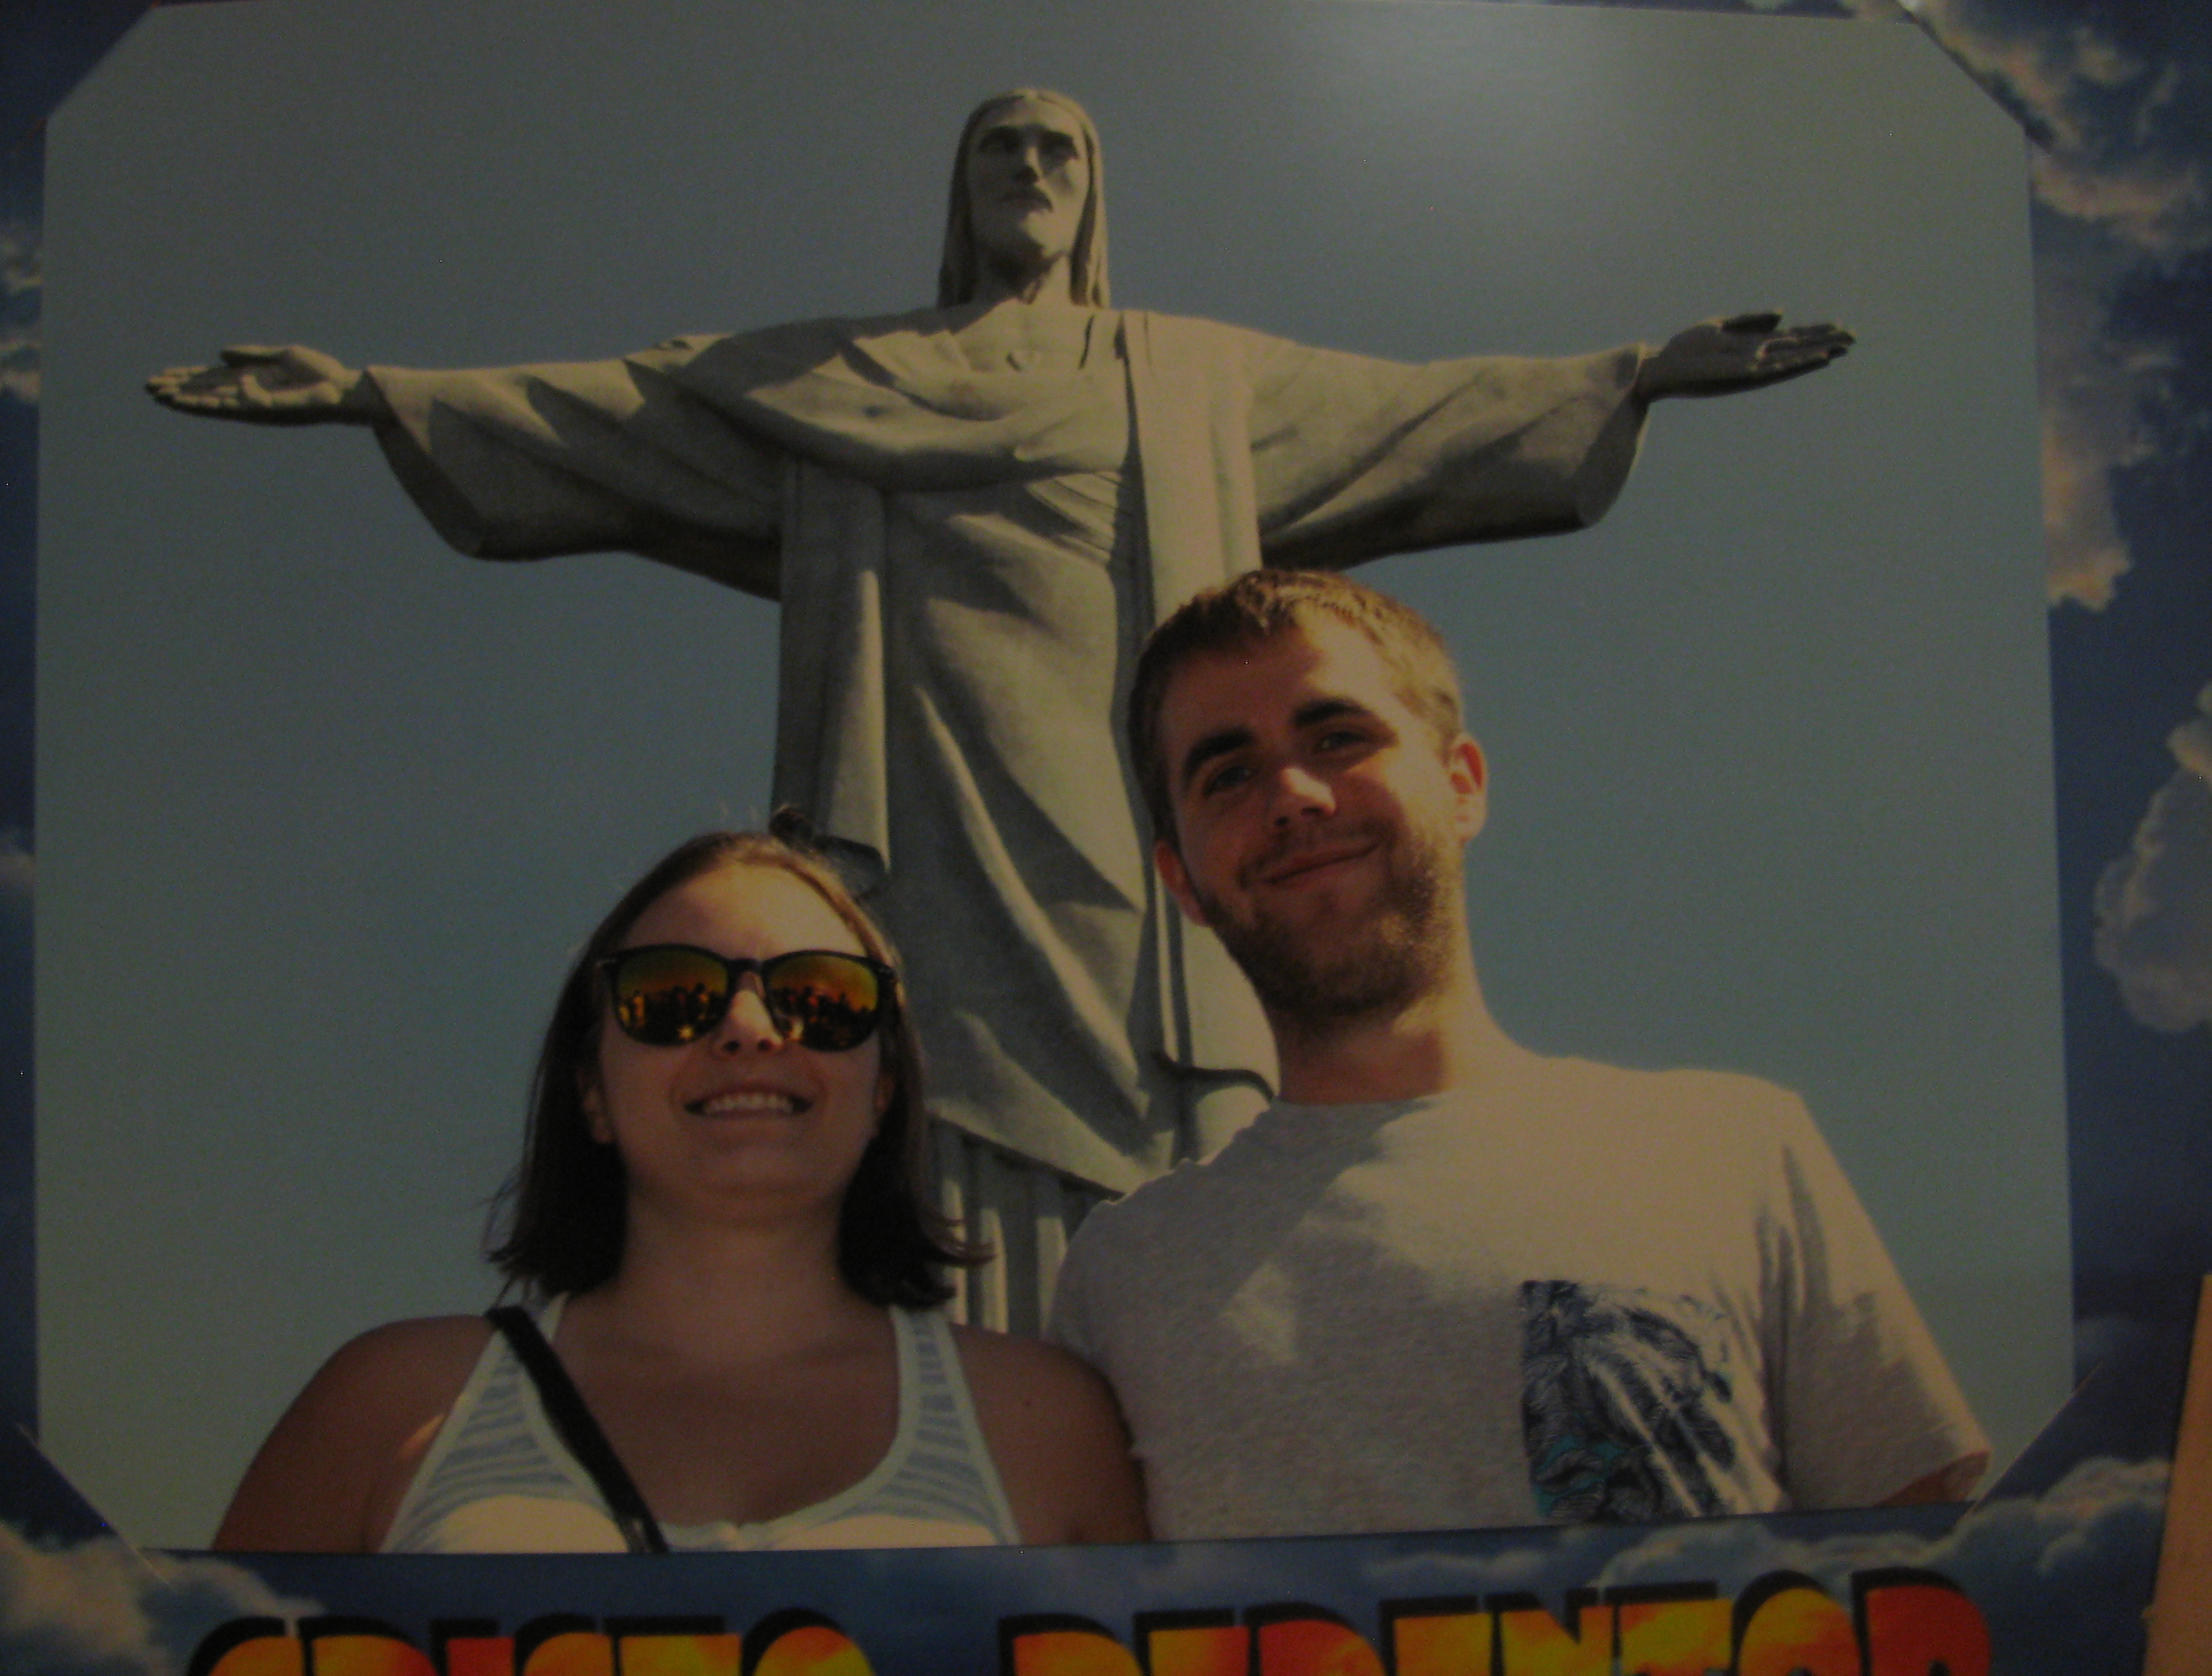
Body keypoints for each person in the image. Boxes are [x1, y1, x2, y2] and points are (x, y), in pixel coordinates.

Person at [148, 88, 1853, 1331]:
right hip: (922, 799)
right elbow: (617, 412)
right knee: (919, 1081)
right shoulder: (837, 378)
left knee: (1179, 1098)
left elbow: (1418, 415)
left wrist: (1627, 373)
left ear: (1092, 192)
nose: (1029, 172)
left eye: (1058, 151)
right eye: (999, 150)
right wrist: (380, 394)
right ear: (961, 195)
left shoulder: (1186, 376)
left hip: (1139, 829)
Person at [1047, 568, 1989, 1540]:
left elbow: (1932, 1573)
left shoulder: (1737, 1152)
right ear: (1182, 881)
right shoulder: (1123, 1278)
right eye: (1227, 774)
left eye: (1338, 738)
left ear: (1462, 787)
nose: (1291, 793)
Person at [212, 825, 1146, 1553]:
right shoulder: (389, 1408)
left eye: (819, 996)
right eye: (671, 996)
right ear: (592, 1093)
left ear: (883, 1088)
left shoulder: (1044, 1422)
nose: (746, 1029)